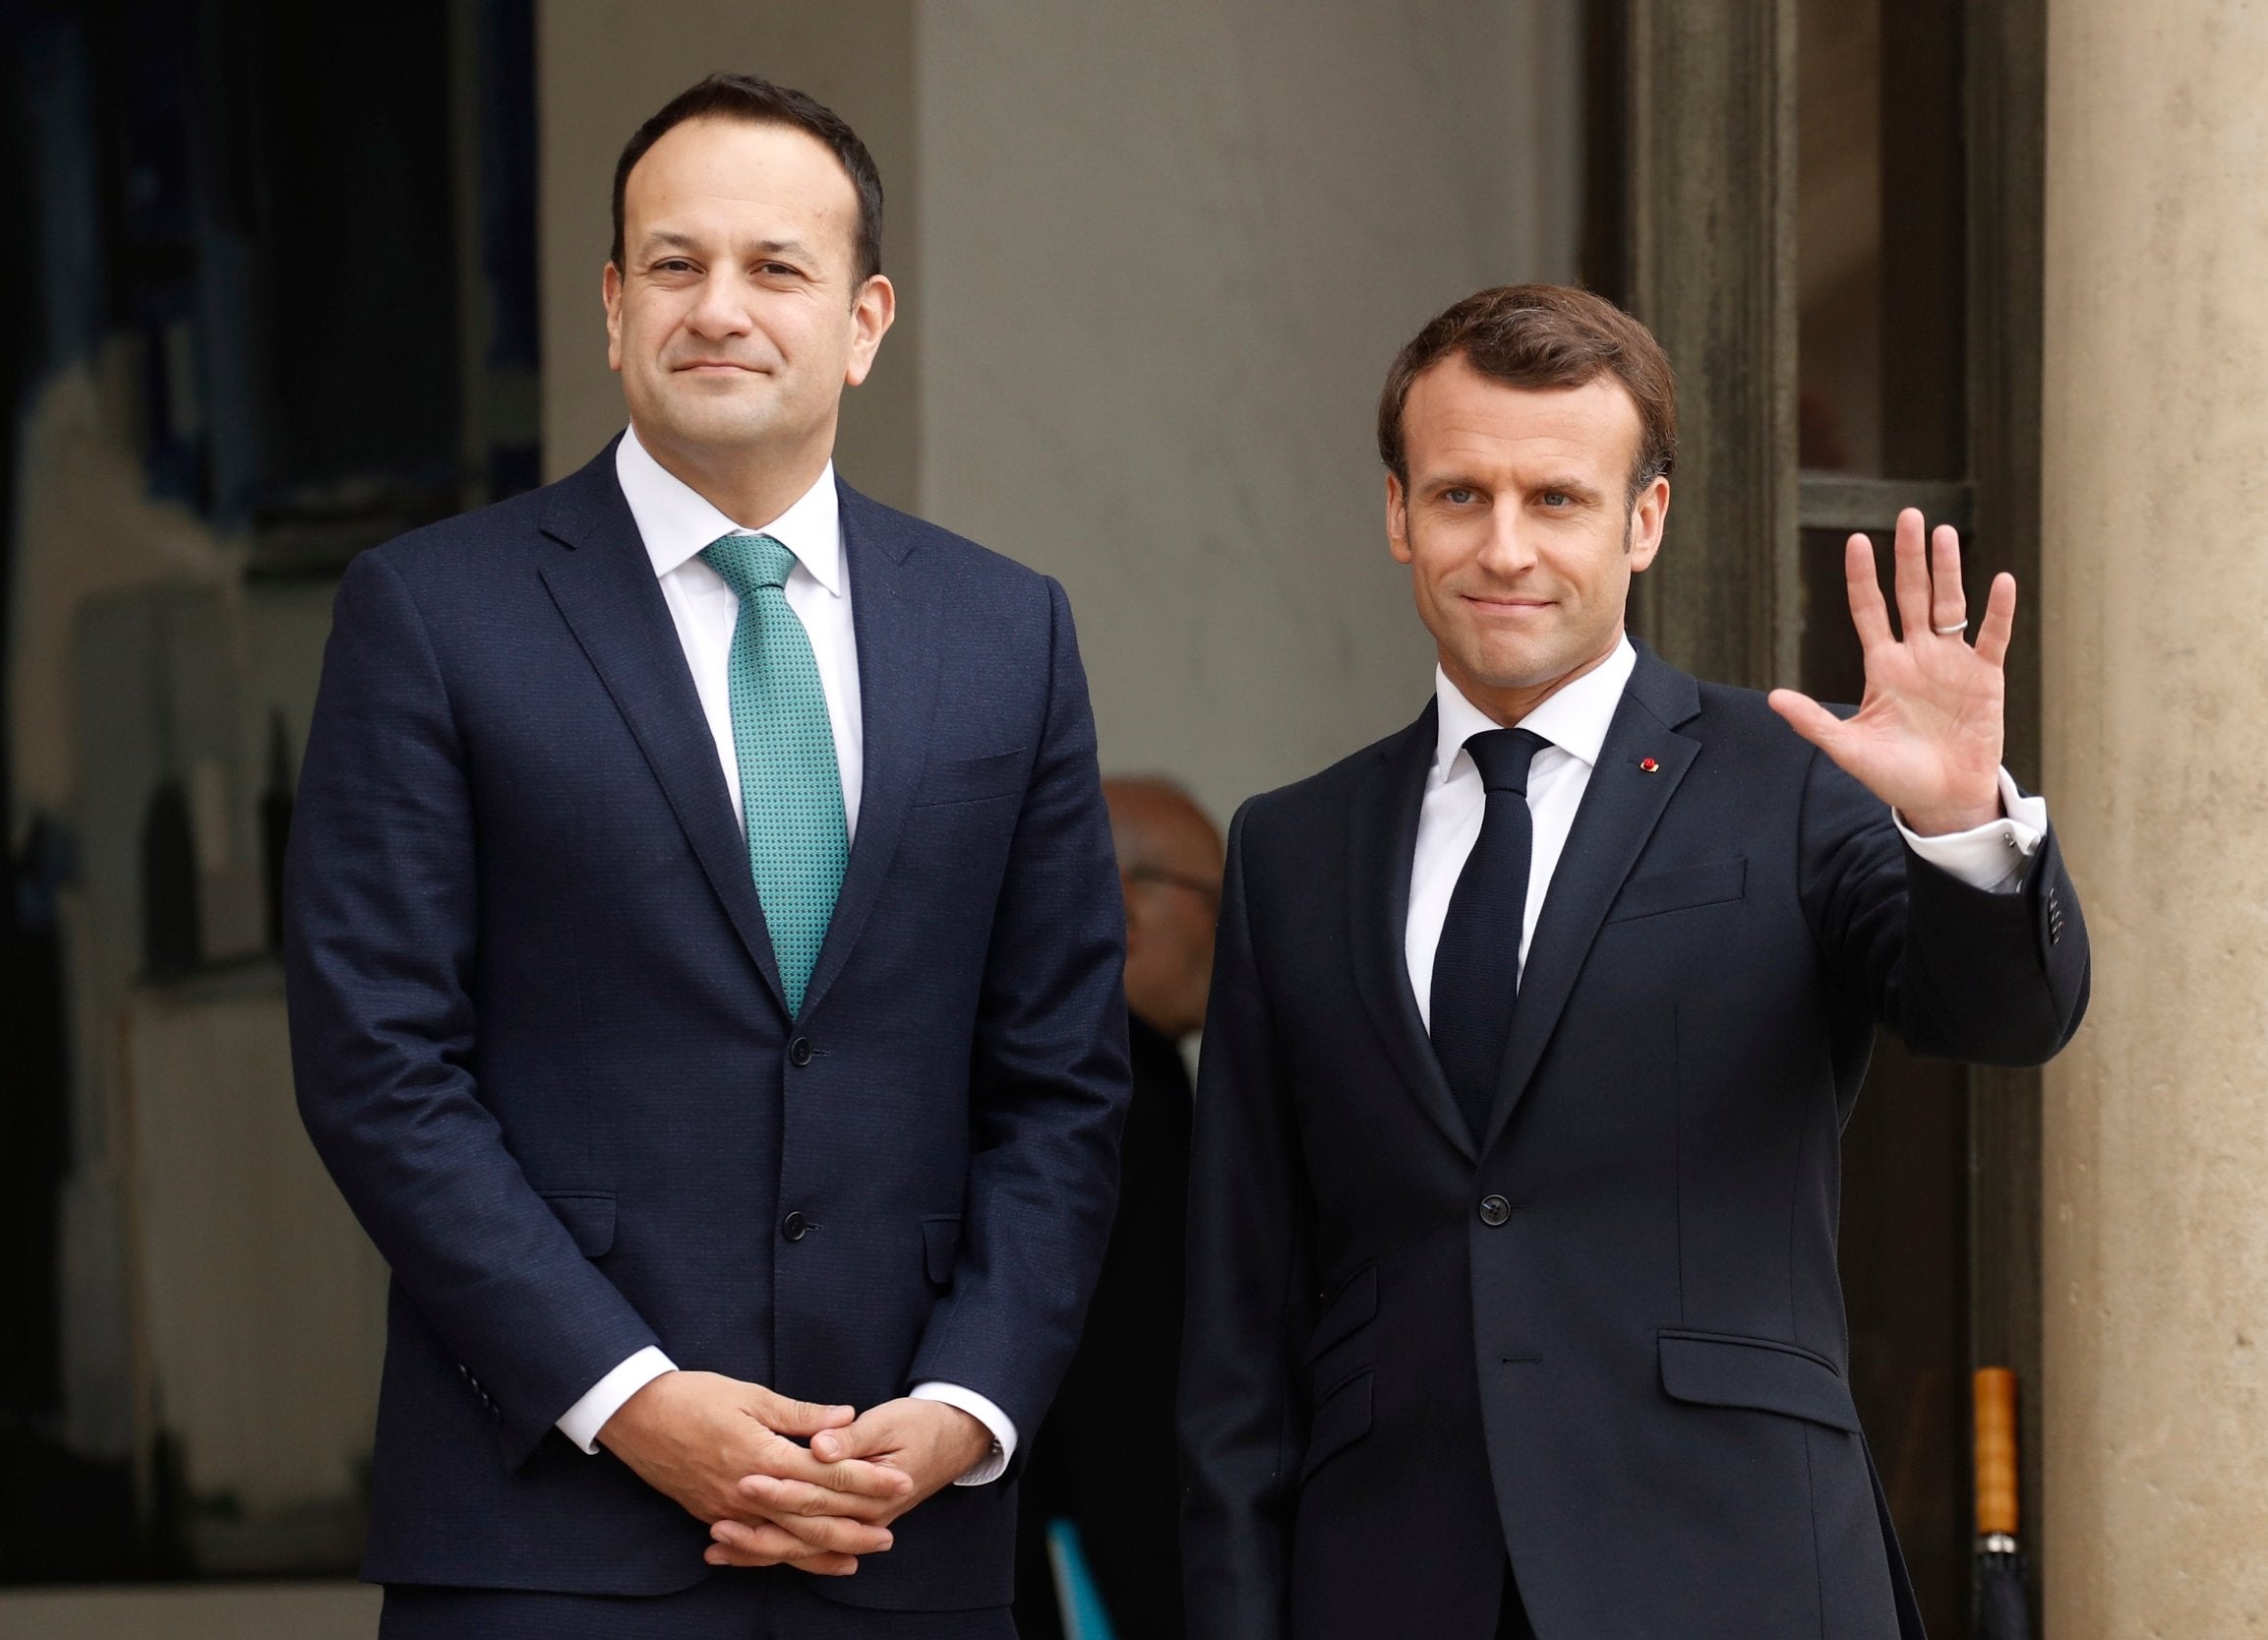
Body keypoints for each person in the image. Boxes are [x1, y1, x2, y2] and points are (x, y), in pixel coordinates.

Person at [286, 74, 1129, 1639]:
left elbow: (1065, 1078)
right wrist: (631, 1397)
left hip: (904, 1531)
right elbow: (378, 1060)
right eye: (673, 265)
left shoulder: (1009, 631)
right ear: (612, 309)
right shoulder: (432, 613)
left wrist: (963, 1403)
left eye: (776, 267)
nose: (718, 307)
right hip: (548, 1532)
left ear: (866, 320)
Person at [1179, 285, 2090, 1640]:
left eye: (1556, 498)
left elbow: (2002, 1015)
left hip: (1739, 1567)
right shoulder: (1290, 846)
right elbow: (1236, 1331)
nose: (1504, 547)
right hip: (1391, 1576)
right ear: (1395, 514)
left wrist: (1958, 820)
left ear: (1642, 520)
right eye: (1458, 496)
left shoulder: (1798, 775)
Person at [1014, 779, 1222, 1640]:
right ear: (1120, 905)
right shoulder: (1129, 1089)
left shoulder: (1010, 1067)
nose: (1238, 936)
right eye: (1218, 900)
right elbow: (1130, 1392)